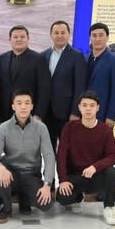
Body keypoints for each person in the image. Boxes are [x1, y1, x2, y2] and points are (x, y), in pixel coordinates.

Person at [0, 89, 55, 223]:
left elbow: (49, 156)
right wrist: (1, 169)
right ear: (13, 106)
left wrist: (47, 184)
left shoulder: (41, 128)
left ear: (32, 106)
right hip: (11, 173)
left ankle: (24, 198)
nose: (23, 107)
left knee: (46, 205)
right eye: (19, 103)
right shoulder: (3, 128)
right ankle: (7, 207)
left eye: (27, 103)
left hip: (31, 175)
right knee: (0, 178)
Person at [56, 91, 115, 225]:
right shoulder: (70, 127)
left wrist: (95, 167)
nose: (88, 109)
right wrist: (63, 180)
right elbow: (61, 155)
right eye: (84, 105)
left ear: (98, 108)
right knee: (63, 199)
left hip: (95, 176)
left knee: (112, 173)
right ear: (79, 107)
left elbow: (113, 156)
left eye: (92, 105)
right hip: (75, 176)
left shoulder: (105, 130)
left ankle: (108, 207)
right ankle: (77, 197)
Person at [40, 21, 86, 152]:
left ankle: (64, 167)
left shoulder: (77, 56)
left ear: (68, 34)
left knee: (67, 149)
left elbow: (80, 86)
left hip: (66, 112)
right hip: (46, 111)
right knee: (47, 149)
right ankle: (49, 167)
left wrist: (75, 112)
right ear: (51, 35)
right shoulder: (43, 55)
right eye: (56, 33)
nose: (59, 36)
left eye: (63, 32)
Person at [0, 25, 51, 121]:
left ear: (28, 39)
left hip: (29, 112)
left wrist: (38, 114)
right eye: (15, 37)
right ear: (10, 39)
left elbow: (44, 90)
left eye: (22, 37)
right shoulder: (2, 58)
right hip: (4, 112)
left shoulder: (39, 59)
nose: (19, 39)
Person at [85, 23, 115, 125]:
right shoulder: (85, 58)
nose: (97, 39)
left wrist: (111, 116)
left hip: (103, 114)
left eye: (101, 35)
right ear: (90, 38)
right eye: (94, 36)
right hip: (84, 113)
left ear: (107, 37)